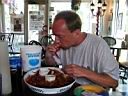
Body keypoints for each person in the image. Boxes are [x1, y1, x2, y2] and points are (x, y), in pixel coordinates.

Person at [45, 10, 119, 89]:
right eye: (54, 35)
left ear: (76, 33)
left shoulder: (98, 45)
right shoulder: (62, 45)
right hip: (69, 88)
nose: (56, 40)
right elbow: (51, 64)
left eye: (60, 36)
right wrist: (49, 55)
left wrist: (84, 72)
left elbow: (113, 82)